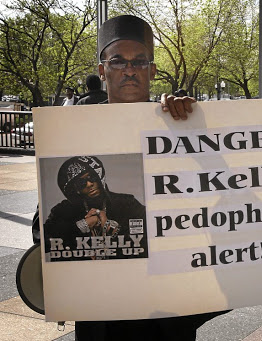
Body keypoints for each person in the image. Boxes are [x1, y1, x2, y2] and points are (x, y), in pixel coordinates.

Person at [32, 14, 223, 340]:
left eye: (140, 61)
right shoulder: (76, 136)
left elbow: (219, 196)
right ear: (102, 70)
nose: (130, 69)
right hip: (101, 316)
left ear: (152, 69)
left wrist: (194, 128)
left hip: (168, 315)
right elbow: (42, 232)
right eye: (118, 61)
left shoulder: (178, 126)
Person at [43, 156, 147, 262]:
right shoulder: (63, 210)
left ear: (99, 176)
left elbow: (151, 233)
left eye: (92, 177)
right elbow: (42, 240)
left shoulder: (126, 202)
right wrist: (82, 225)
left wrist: (112, 228)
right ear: (75, 189)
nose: (89, 184)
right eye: (81, 183)